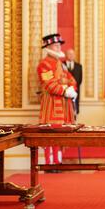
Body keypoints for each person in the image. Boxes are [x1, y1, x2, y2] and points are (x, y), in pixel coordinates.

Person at [37, 33, 78, 170]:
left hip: (64, 104)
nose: (58, 47)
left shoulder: (62, 64)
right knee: (50, 134)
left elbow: (71, 79)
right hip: (52, 103)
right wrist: (64, 90)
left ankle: (58, 161)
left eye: (59, 45)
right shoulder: (44, 64)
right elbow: (49, 84)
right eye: (56, 45)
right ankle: (49, 163)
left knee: (61, 134)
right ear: (48, 47)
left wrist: (71, 88)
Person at [65, 49, 83, 116]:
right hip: (64, 92)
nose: (71, 55)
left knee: (74, 112)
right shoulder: (61, 65)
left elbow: (80, 80)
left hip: (75, 93)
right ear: (66, 55)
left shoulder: (79, 66)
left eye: (72, 54)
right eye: (69, 54)